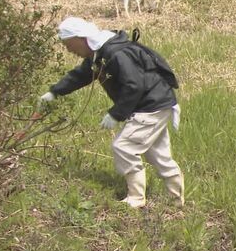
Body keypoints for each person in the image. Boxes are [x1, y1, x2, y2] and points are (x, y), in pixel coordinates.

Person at [40, 17, 184, 209]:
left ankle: (136, 198)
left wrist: (116, 114)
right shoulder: (99, 54)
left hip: (151, 106)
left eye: (68, 44)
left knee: (124, 147)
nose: (68, 49)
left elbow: (134, 85)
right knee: (157, 154)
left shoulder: (115, 54)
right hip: (156, 104)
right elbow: (81, 75)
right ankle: (177, 201)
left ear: (80, 38)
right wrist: (55, 91)